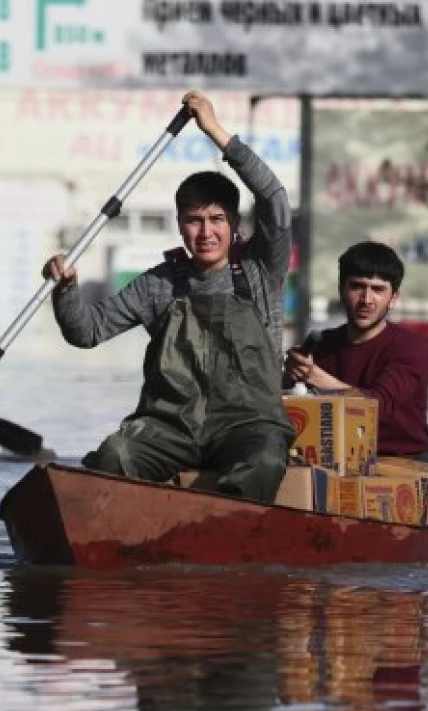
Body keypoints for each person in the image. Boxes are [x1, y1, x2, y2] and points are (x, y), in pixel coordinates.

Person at [42, 90, 295, 503]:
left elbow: (275, 199)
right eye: (194, 221)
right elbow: (85, 333)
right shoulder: (159, 284)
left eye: (217, 220)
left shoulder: (261, 268)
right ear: (180, 226)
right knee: (116, 453)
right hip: (171, 429)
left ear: (234, 224)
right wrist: (66, 289)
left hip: (247, 426)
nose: (206, 233)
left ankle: (225, 532)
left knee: (265, 458)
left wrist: (214, 130)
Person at [283, 241, 428, 467]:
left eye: (378, 289)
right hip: (337, 458)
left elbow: (377, 406)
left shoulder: (414, 346)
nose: (366, 300)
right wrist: (289, 375)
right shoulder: (323, 345)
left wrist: (314, 376)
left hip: (405, 458)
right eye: (357, 286)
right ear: (341, 289)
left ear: (394, 298)